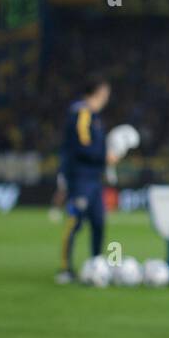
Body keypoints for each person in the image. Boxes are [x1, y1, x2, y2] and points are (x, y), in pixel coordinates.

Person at [55, 77, 118, 283]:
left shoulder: (94, 117)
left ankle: (96, 264)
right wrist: (104, 156)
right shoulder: (82, 113)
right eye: (106, 92)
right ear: (98, 91)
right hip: (80, 178)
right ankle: (65, 269)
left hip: (93, 179)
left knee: (99, 222)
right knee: (74, 222)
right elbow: (82, 144)